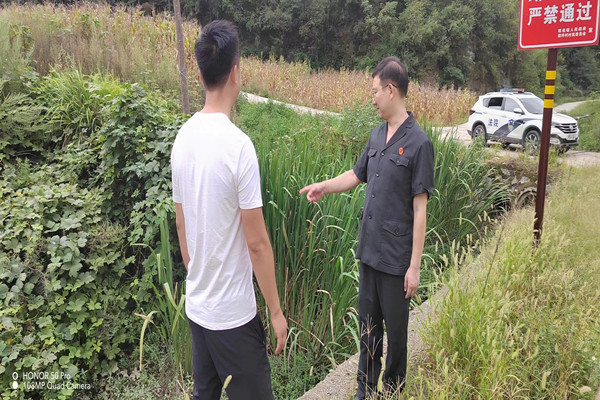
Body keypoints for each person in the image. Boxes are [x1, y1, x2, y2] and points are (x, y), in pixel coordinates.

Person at [300, 57, 434, 399]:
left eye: (374, 92)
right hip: (370, 251)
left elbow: (420, 209)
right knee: (368, 329)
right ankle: (365, 389)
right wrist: (324, 186)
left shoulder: (419, 142)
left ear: (391, 90)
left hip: (396, 259)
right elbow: (355, 174)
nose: (372, 99)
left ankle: (393, 390)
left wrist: (414, 267)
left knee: (397, 335)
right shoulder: (376, 135)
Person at [170, 20, 287, 400]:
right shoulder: (238, 147)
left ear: (201, 74)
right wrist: (275, 312)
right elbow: (257, 243)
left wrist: (196, 270)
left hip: (198, 307)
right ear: (235, 72)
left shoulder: (182, 138)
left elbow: (181, 222)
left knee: (204, 394)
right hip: (233, 316)